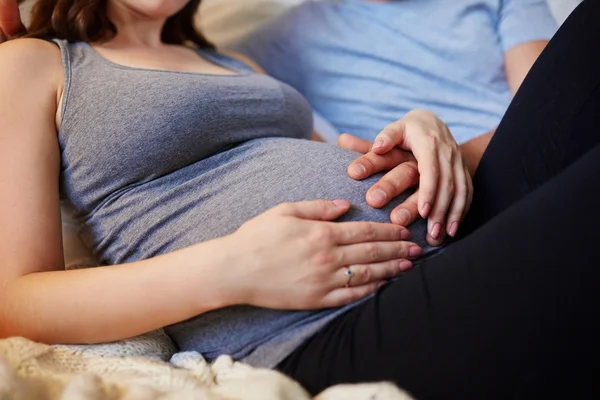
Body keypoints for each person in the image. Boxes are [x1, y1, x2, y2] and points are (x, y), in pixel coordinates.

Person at [0, 1, 599, 399]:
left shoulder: (234, 60)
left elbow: (351, 165)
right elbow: (13, 299)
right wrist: (231, 269)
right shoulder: (33, 63)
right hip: (327, 328)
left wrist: (426, 133)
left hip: (449, 232)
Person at [234, 0, 557, 149]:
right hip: (442, 201)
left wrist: (459, 158)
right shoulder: (282, 40)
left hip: (535, 152)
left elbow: (550, 110)